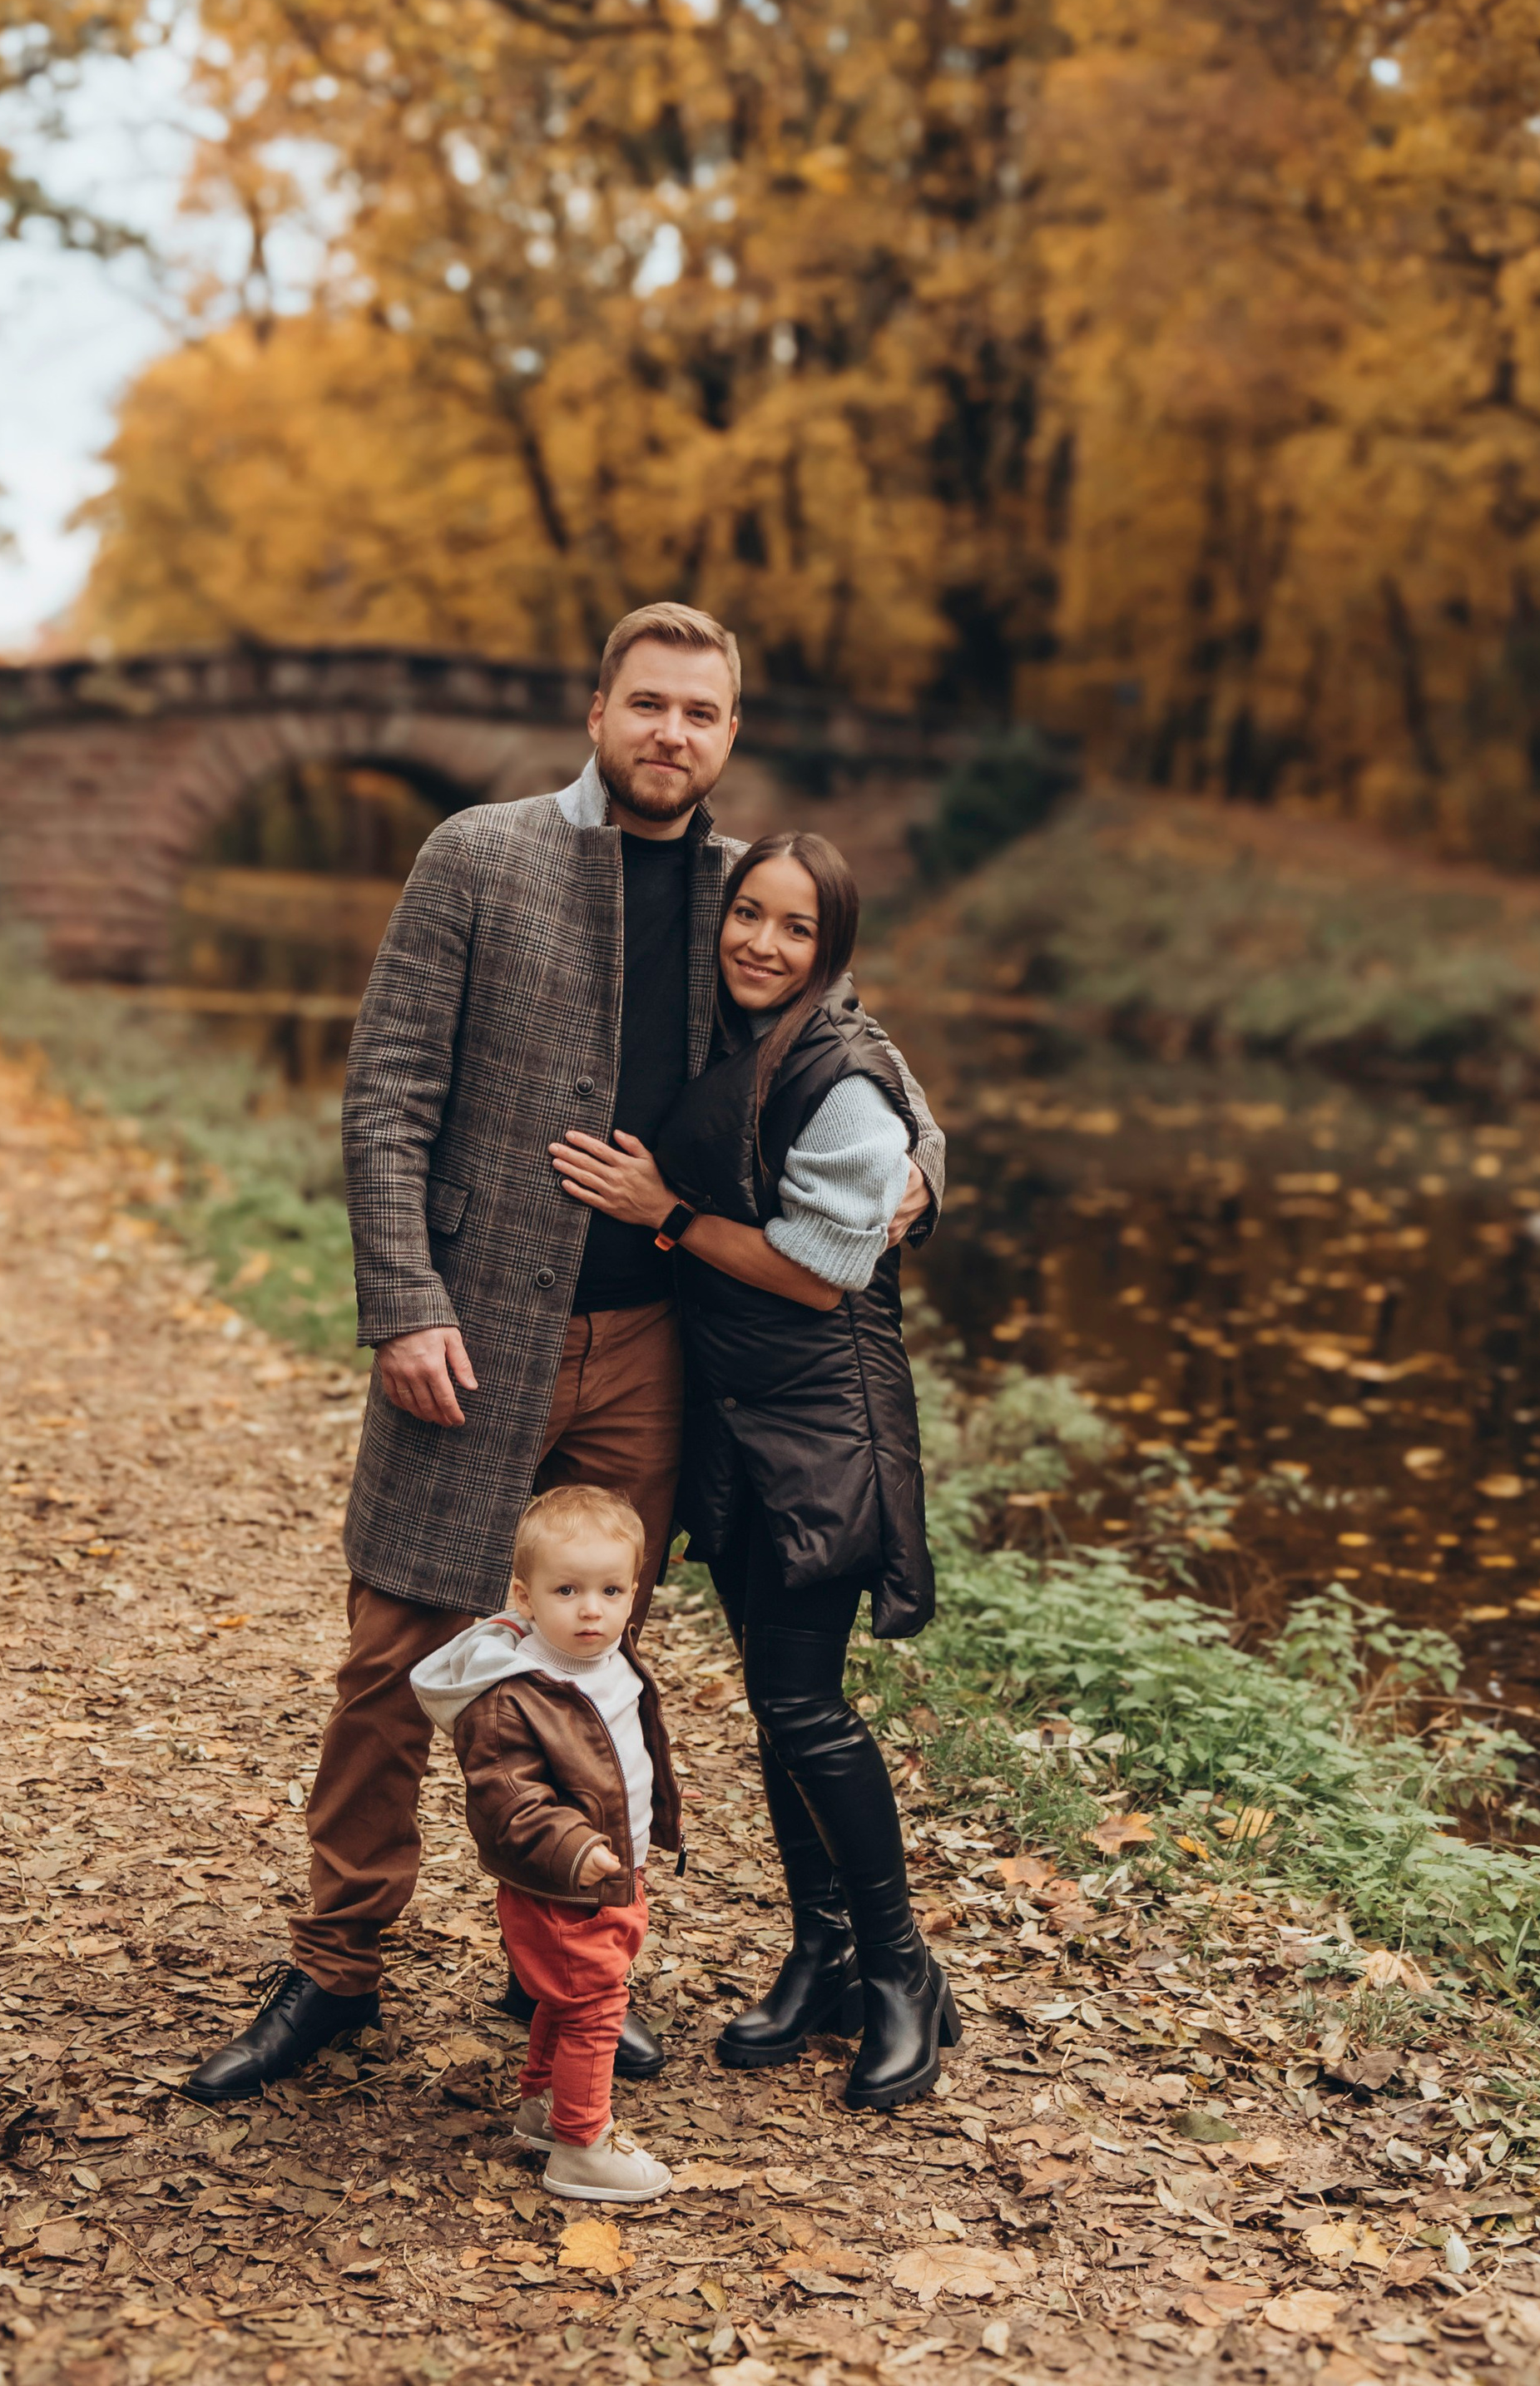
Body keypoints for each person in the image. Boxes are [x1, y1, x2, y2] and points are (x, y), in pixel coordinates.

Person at [185, 604, 943, 2103]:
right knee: (394, 1661)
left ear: (729, 735)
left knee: (597, 1669)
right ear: (597, 710)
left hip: (650, 1349)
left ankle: (578, 1970)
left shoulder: (747, 894)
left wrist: (927, 1167)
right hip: (472, 1335)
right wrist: (404, 1302)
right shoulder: (479, 851)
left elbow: (879, 1066)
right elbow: (387, 1088)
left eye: (703, 714)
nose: (674, 733)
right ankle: (337, 1968)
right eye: (648, 703)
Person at [549, 829, 955, 2116]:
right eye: (749, 915)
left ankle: (904, 1973)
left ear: (831, 951)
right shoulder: (737, 1036)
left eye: (796, 928)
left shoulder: (840, 1070)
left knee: (804, 1706)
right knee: (789, 1701)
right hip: (741, 1414)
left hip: (822, 1421)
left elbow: (823, 1268)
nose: (762, 943)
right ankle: (825, 1952)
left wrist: (661, 1215)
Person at [412, 1484, 679, 2204]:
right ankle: (582, 2144)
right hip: (564, 1879)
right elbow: (509, 1798)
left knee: (564, 2000)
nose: (592, 1609)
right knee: (596, 2005)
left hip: (613, 1871)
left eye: (611, 1589)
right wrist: (574, 1847)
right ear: (526, 1599)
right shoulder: (511, 1692)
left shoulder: (608, 1656)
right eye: (568, 1590)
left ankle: (541, 2105)